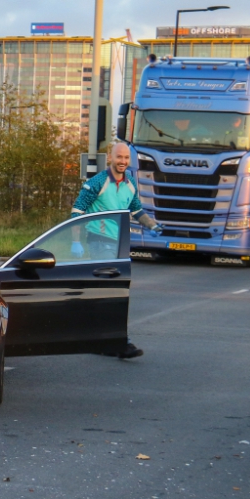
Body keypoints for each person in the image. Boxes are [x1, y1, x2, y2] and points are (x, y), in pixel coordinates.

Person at [70, 141, 161, 359]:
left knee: (114, 293)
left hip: (120, 244)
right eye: (119, 157)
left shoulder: (130, 183)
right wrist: (76, 241)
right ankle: (119, 342)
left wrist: (152, 226)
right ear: (111, 157)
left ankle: (104, 340)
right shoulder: (97, 182)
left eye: (126, 158)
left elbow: (136, 209)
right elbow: (77, 211)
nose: (122, 161)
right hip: (99, 241)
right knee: (111, 292)